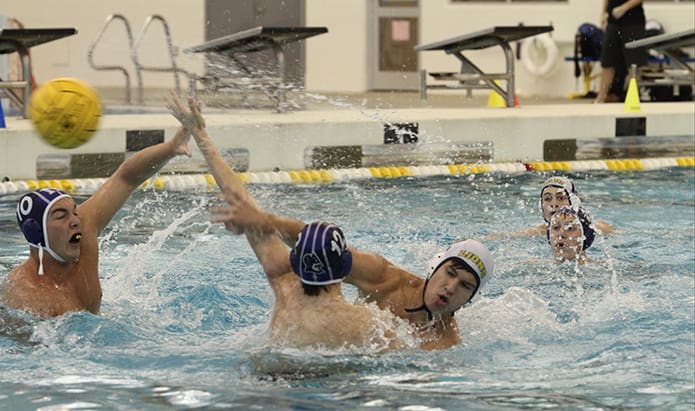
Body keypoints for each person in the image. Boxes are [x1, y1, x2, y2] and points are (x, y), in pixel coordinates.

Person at [167, 94, 494, 350]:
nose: (450, 287)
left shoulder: (283, 282)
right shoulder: (369, 323)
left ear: (295, 263)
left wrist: (200, 134)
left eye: (464, 285)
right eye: (450, 273)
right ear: (344, 269)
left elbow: (242, 201)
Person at [0, 127, 192, 317]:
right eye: (60, 216)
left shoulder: (84, 230)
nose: (75, 221)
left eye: (74, 212)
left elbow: (125, 178)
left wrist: (171, 148)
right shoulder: (23, 300)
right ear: (36, 233)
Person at [594, 0, 647, 103]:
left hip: (633, 22)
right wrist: (603, 13)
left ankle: (633, 96)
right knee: (607, 61)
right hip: (613, 21)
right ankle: (601, 97)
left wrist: (625, 7)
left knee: (634, 63)